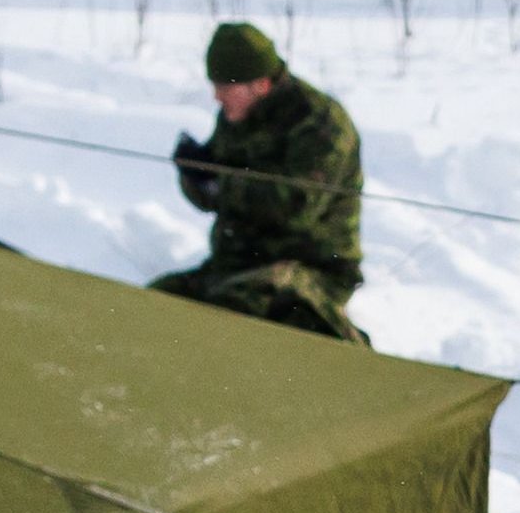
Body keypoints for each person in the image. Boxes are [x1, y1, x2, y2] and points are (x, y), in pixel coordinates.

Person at [156, 23, 372, 344]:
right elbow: (214, 197)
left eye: (225, 88)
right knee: (155, 303)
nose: (217, 97)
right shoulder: (236, 116)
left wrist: (220, 183)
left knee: (224, 318)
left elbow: (295, 208)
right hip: (235, 265)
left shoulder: (320, 124)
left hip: (308, 269)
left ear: (260, 84)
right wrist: (194, 174)